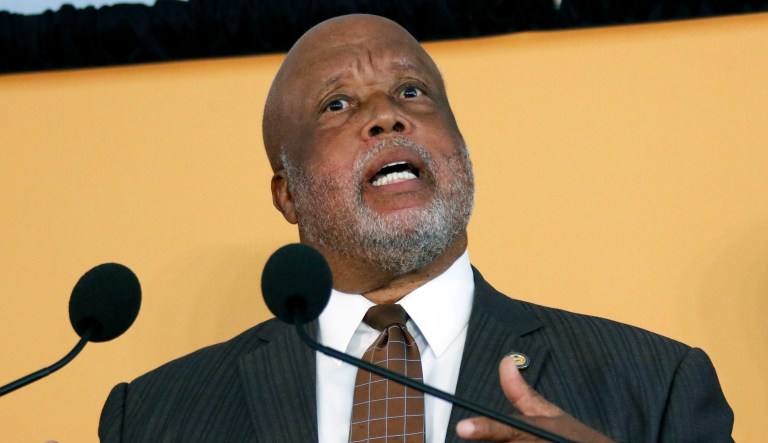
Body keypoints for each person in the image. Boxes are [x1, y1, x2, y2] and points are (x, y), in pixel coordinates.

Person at [98, 14, 733, 442]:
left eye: (412, 92)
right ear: (287, 194)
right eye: (337, 105)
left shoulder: (656, 384)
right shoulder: (154, 415)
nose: (386, 118)